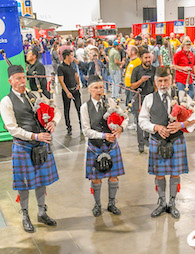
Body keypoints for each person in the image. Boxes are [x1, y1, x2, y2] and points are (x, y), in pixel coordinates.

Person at [0, 65, 61, 233]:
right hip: (23, 146)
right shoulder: (6, 101)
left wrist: (53, 122)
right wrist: (35, 136)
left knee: (41, 180)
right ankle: (25, 215)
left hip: (41, 145)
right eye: (17, 78)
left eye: (23, 78)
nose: (21, 81)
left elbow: (56, 110)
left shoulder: (34, 95)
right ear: (10, 81)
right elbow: (12, 128)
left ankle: (42, 212)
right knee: (24, 184)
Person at [139, 67, 195, 219]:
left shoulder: (182, 95)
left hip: (176, 140)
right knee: (159, 175)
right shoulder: (149, 99)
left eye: (166, 80)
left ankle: (172, 203)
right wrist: (156, 127)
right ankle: (161, 203)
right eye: (160, 81)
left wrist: (182, 125)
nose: (163, 84)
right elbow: (142, 120)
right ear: (155, 82)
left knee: (175, 174)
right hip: (157, 141)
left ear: (171, 80)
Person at [80, 75, 127, 216]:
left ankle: (112, 203)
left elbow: (124, 117)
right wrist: (103, 135)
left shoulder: (111, 102)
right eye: (95, 87)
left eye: (101, 87)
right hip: (95, 146)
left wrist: (121, 128)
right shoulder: (85, 107)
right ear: (89, 89)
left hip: (111, 146)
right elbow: (86, 130)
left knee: (114, 177)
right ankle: (97, 205)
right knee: (96, 178)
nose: (99, 90)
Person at [129, 49, 156, 152]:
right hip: (139, 98)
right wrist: (141, 80)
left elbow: (155, 84)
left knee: (150, 119)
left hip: (151, 98)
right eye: (146, 58)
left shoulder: (154, 69)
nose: (148, 60)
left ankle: (146, 139)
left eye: (149, 57)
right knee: (139, 121)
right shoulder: (136, 70)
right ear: (141, 59)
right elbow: (132, 86)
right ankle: (140, 144)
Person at [56, 49, 82, 136]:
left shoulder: (71, 65)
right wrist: (67, 92)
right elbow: (61, 81)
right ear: (67, 57)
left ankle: (82, 125)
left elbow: (75, 75)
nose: (72, 57)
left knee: (79, 108)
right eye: (71, 55)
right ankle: (68, 127)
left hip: (75, 90)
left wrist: (78, 84)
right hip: (67, 92)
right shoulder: (60, 67)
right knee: (67, 110)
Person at [123, 45, 142, 109]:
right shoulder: (131, 61)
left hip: (132, 87)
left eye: (128, 50)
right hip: (128, 86)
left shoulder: (137, 61)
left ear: (133, 52)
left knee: (133, 107)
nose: (127, 52)